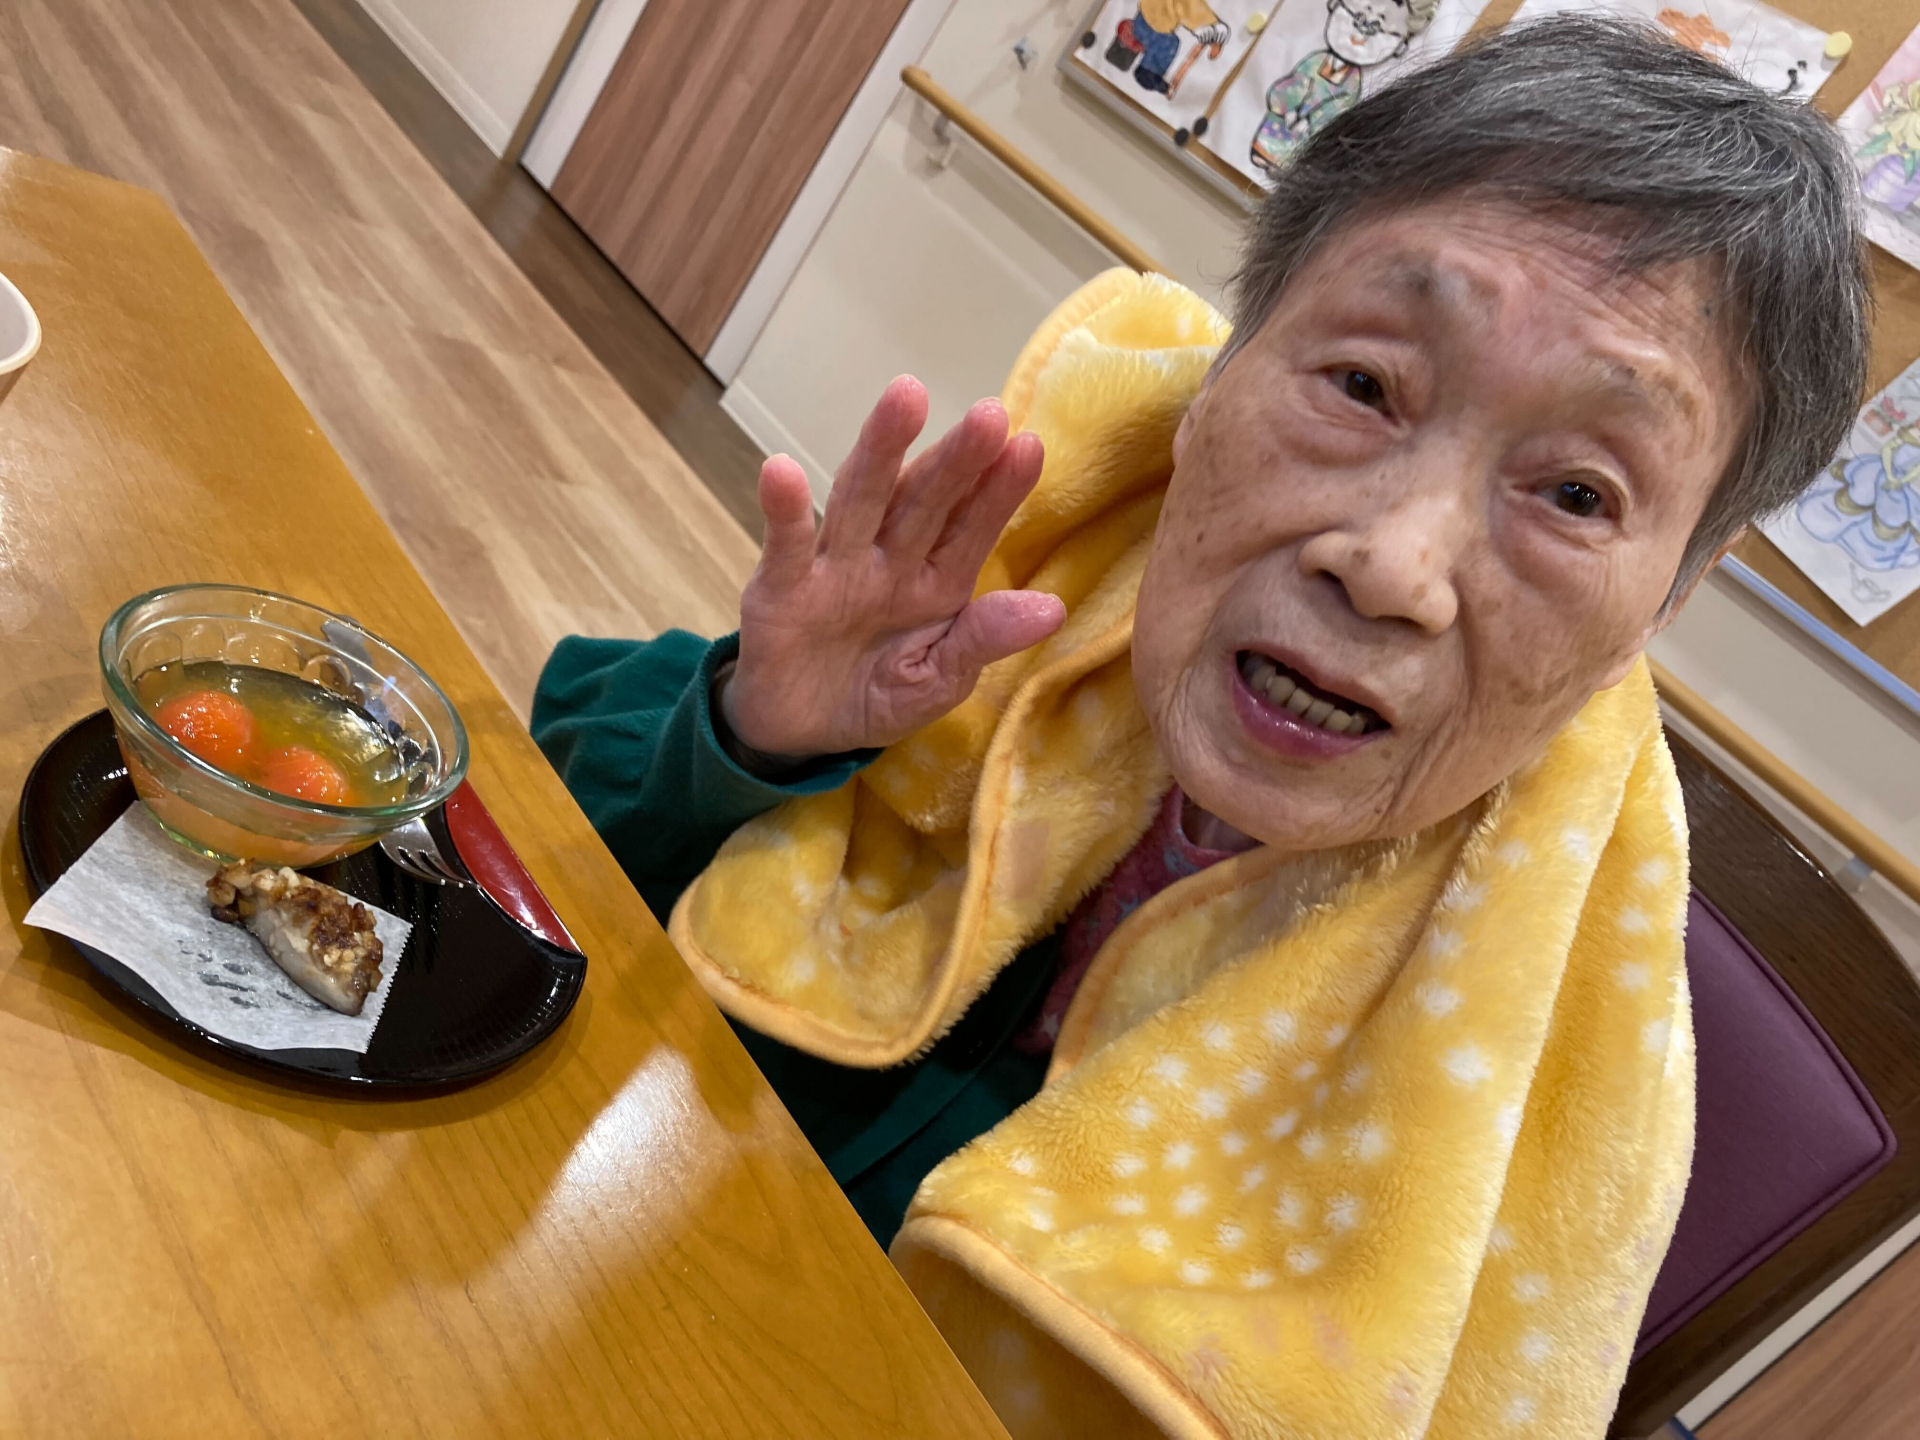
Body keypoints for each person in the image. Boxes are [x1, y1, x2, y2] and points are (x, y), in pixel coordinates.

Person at [532, 18, 1867, 1438]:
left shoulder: (1537, 1055)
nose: (1393, 567)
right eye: (1364, 386)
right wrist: (753, 736)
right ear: (1217, 379)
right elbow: (522, 869)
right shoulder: (1021, 595)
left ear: (1663, 603)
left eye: (1580, 495)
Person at [1251, 0, 1437, 173]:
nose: (1361, 34)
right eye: (1358, 18)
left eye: (1376, 28)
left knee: (1292, 161)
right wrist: (1286, 107)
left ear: (1400, 46)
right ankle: (1266, 152)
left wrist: (1310, 123)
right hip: (1274, 129)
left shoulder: (1352, 84)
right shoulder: (1315, 61)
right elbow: (1293, 82)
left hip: (1301, 145)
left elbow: (1336, 109)